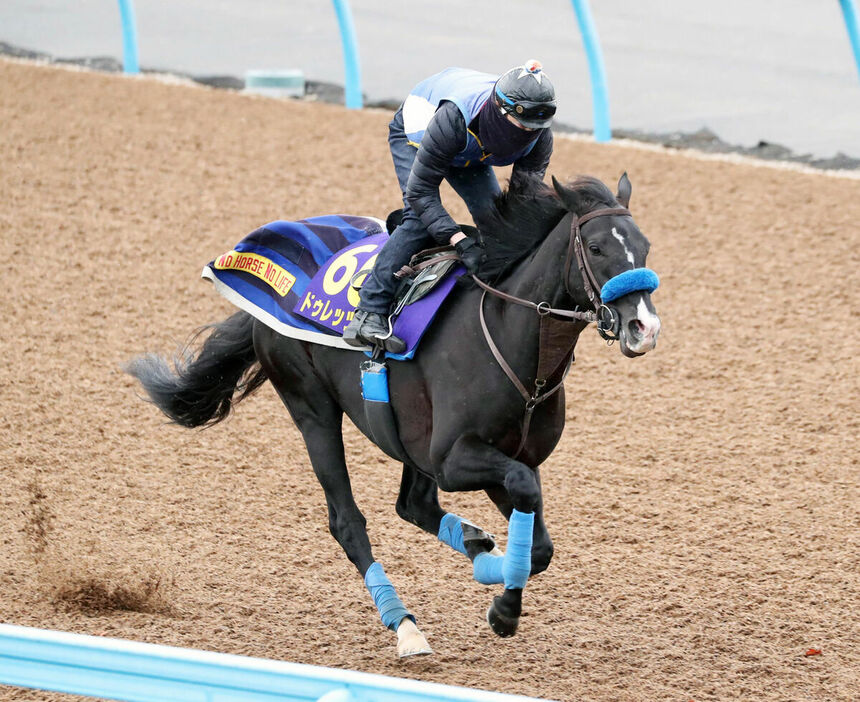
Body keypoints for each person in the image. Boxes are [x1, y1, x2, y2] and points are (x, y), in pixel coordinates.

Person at [343, 60, 557, 352]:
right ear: (500, 109)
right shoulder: (453, 117)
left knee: (496, 221)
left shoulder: (540, 135)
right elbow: (421, 193)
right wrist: (458, 241)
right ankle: (369, 311)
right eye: (521, 125)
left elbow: (520, 204)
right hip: (420, 137)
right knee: (418, 220)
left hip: (470, 151)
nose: (527, 134)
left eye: (535, 128)